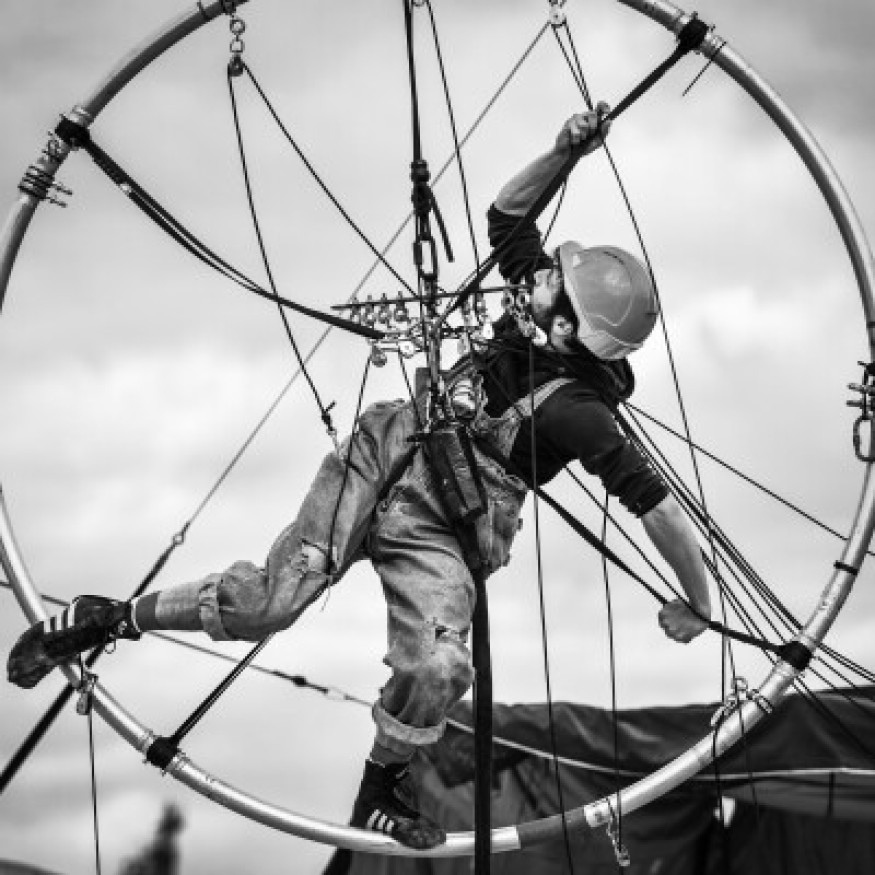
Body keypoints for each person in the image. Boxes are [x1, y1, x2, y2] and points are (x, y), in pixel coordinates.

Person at [7, 106, 711, 850]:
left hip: (447, 526)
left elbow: (657, 508)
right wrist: (562, 152)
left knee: (439, 665)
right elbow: (507, 216)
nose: (534, 276)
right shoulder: (540, 310)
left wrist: (696, 602)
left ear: (567, 327)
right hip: (388, 450)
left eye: (549, 282)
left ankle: (382, 783)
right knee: (270, 602)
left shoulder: (577, 412)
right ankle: (109, 617)